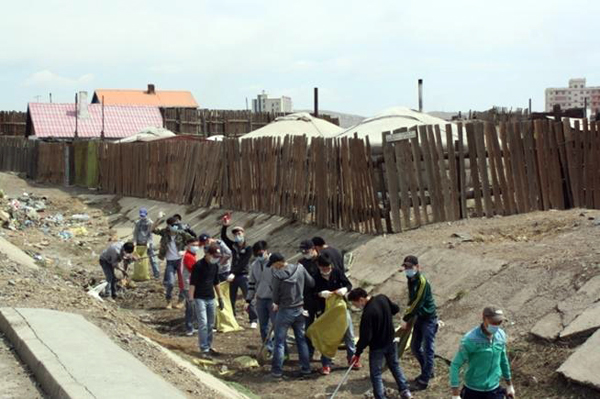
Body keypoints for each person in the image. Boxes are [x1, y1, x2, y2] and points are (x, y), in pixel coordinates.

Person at [348, 288, 412, 399]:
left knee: (376, 374)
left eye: (356, 303)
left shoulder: (367, 314)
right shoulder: (382, 298)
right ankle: (405, 390)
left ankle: (380, 397)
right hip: (391, 341)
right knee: (394, 365)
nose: (357, 306)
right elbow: (395, 309)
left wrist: (357, 353)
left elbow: (365, 338)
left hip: (377, 347)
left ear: (361, 299)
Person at [449, 307, 515, 399]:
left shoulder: (501, 336)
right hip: (473, 391)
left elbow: (503, 360)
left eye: (499, 322)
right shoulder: (471, 339)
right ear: (484, 319)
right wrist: (455, 394)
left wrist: (509, 385)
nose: (496, 325)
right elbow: (455, 365)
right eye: (493, 322)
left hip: (494, 390)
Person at [270, 253, 315, 379]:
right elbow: (311, 283)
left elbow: (275, 295)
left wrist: (277, 303)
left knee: (279, 341)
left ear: (279, 262)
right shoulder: (300, 268)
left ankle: (277, 371)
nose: (273, 267)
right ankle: (306, 368)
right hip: (300, 308)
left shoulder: (278, 275)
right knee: (301, 339)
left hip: (285, 310)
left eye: (274, 265)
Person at [313, 254, 358, 375]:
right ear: (319, 267)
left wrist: (344, 290)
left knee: (349, 333)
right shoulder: (316, 277)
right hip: (326, 311)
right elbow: (311, 293)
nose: (327, 271)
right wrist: (320, 294)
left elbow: (348, 285)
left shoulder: (337, 272)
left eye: (328, 268)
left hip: (341, 308)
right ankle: (326, 363)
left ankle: (352, 358)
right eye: (324, 268)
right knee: (328, 337)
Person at [400, 255, 438, 391]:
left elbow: (418, 302)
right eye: (406, 267)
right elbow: (411, 299)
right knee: (415, 347)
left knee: (428, 349)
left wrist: (406, 317)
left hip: (428, 319)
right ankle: (427, 371)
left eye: (410, 267)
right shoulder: (410, 279)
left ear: (417, 267)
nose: (408, 270)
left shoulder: (422, 281)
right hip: (419, 318)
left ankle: (424, 380)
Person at [189, 244, 225, 357]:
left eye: (218, 256)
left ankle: (209, 346)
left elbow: (216, 282)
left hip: (211, 298)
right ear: (208, 254)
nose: (216, 258)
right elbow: (192, 283)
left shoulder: (215, 266)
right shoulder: (198, 266)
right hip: (199, 297)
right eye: (214, 256)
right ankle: (203, 348)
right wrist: (191, 299)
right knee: (203, 323)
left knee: (210, 324)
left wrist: (220, 297)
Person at [221, 220, 258, 328]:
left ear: (243, 233)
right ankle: (232, 317)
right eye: (235, 234)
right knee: (231, 297)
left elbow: (243, 263)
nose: (237, 235)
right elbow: (224, 237)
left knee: (248, 296)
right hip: (232, 276)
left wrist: (233, 272)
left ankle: (253, 319)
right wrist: (225, 226)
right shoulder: (233, 245)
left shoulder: (248, 248)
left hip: (243, 275)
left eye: (239, 233)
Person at [154, 217, 194, 309]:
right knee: (170, 283)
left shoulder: (181, 233)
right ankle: (168, 301)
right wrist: (158, 219)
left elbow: (193, 240)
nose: (175, 227)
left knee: (183, 283)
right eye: (173, 225)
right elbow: (152, 229)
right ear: (168, 226)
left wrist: (186, 251)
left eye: (177, 225)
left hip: (180, 261)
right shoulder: (164, 233)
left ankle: (180, 301)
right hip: (170, 262)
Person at [246, 241, 276, 351]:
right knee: (263, 327)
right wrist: (248, 300)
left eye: (261, 253)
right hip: (260, 299)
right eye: (257, 254)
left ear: (266, 251)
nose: (259, 256)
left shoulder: (274, 262)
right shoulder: (254, 265)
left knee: (277, 326)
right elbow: (251, 283)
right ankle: (268, 348)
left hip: (273, 299)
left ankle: (281, 350)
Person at [298, 239, 320, 359]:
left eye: (306, 251)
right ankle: (309, 352)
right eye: (302, 251)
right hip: (307, 300)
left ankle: (325, 354)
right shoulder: (301, 263)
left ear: (313, 249)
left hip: (321, 299)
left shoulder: (321, 260)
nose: (304, 253)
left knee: (323, 326)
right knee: (307, 327)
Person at [132, 207, 160, 279]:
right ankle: (139, 274)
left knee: (153, 259)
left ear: (146, 214)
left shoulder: (150, 222)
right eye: (141, 215)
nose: (142, 217)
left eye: (143, 215)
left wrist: (148, 242)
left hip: (148, 243)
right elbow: (135, 233)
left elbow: (150, 233)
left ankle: (156, 274)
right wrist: (134, 242)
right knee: (138, 259)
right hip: (139, 243)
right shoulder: (138, 223)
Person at [182, 238, 201, 336]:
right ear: (188, 245)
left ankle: (193, 326)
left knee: (192, 306)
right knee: (191, 307)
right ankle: (189, 328)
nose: (196, 247)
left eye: (197, 245)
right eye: (193, 245)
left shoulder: (192, 255)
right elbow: (194, 271)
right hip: (188, 285)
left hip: (190, 284)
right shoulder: (189, 257)